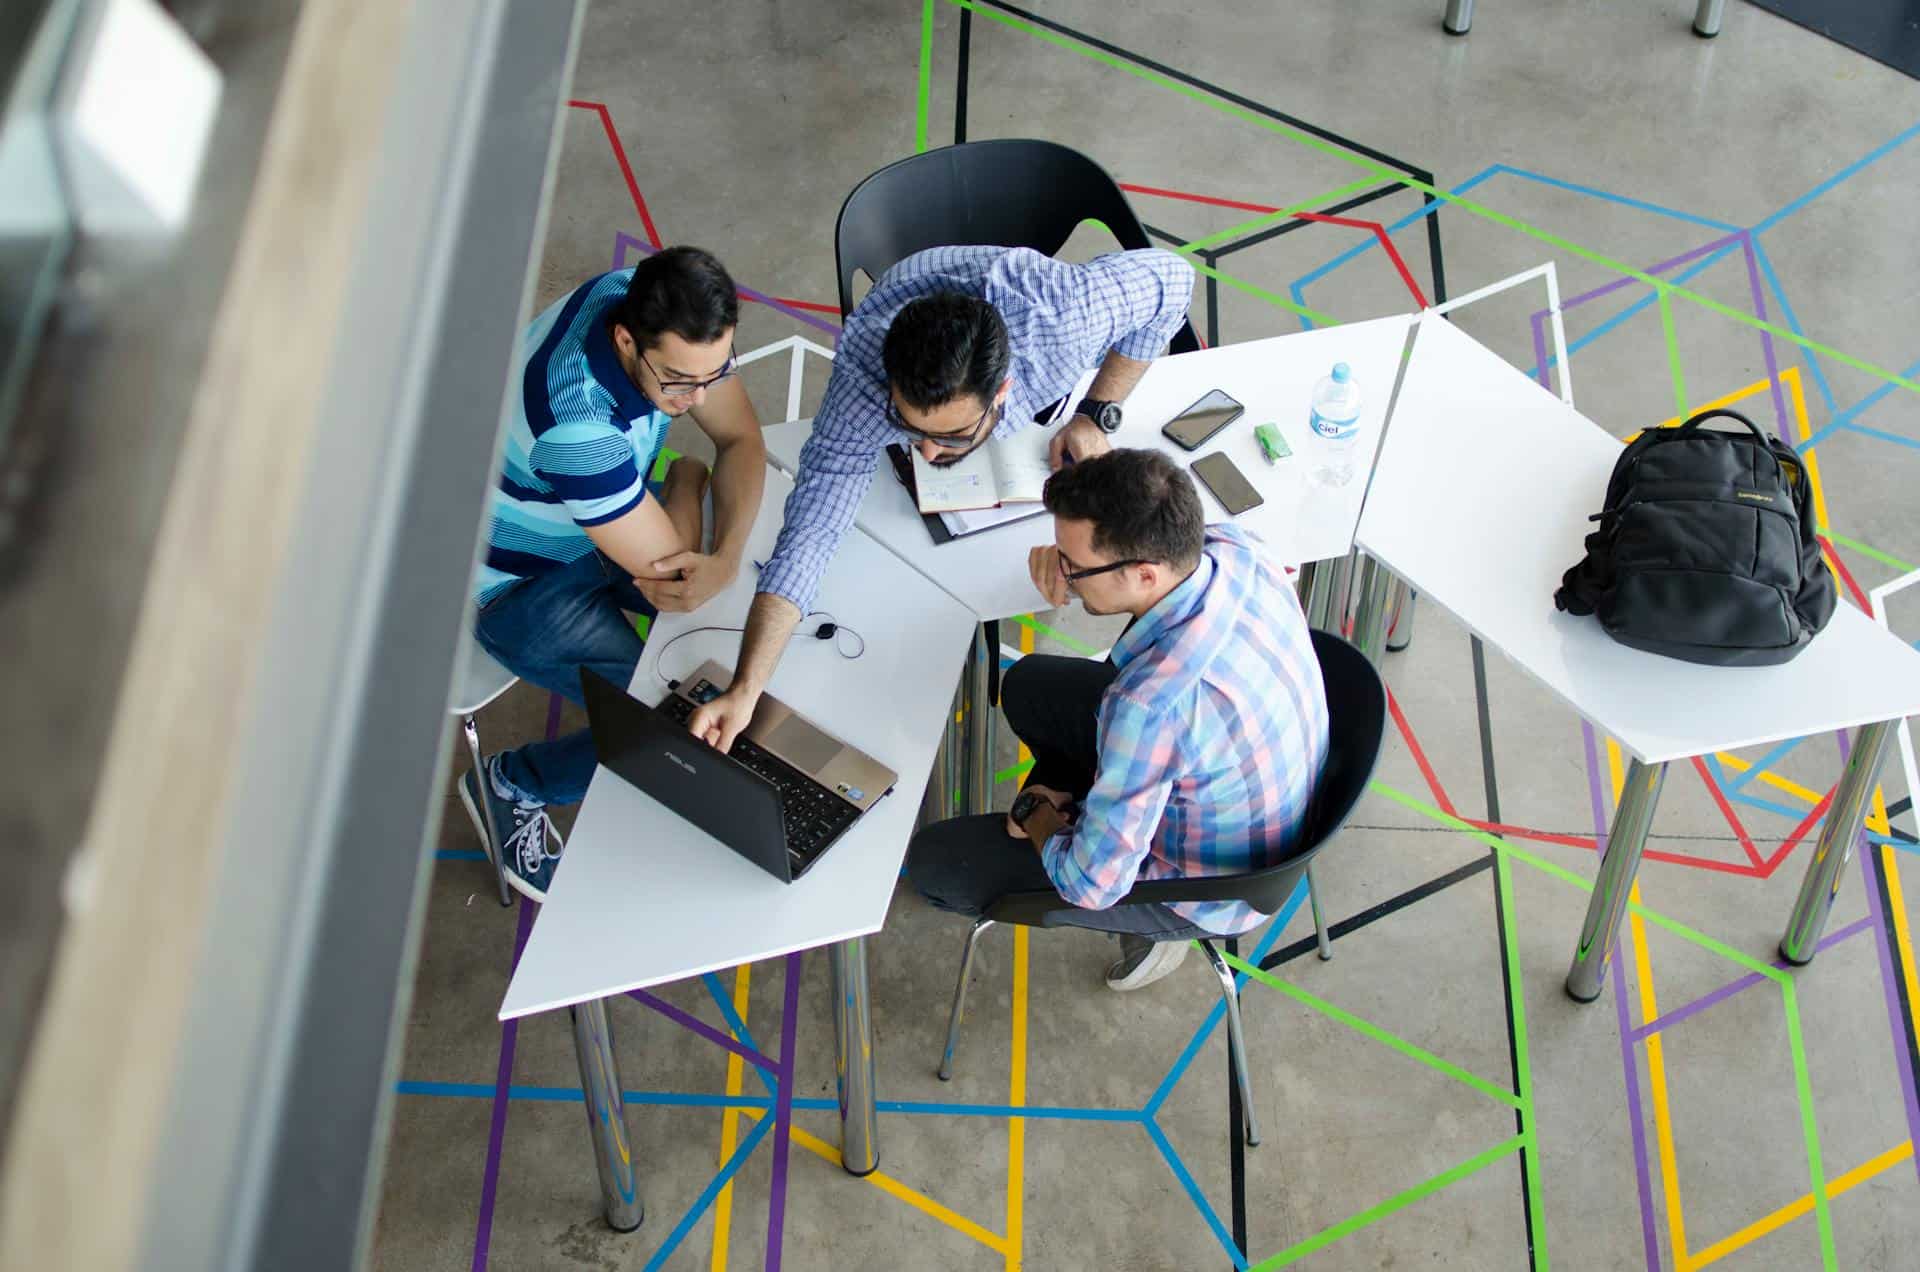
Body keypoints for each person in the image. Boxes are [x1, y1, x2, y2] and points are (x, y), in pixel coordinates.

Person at [686, 245, 1195, 753]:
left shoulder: (1064, 319)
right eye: (909, 428)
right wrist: (747, 688)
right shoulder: (864, 377)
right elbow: (811, 530)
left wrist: (1097, 410)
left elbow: (1174, 280)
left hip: (1027, 303)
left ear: (1003, 393)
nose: (927, 453)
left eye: (951, 437)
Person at [906, 449, 1330, 991]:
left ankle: (1154, 936)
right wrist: (1066, 559)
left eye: (1073, 566)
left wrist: (1037, 810)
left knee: (936, 863)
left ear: (1144, 573)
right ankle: (1095, 805)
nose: (1064, 573)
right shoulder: (1234, 548)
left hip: (1206, 887)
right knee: (1030, 685)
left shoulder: (1149, 706)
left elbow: (1089, 884)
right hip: (1263, 792)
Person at [459, 246, 767, 900]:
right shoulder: (578, 429)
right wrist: (687, 481)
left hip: (596, 519)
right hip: (516, 586)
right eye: (681, 382)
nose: (699, 397)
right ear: (626, 340)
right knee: (663, 724)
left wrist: (728, 555)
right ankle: (514, 784)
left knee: (728, 625)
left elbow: (742, 439)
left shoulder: (648, 300)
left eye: (717, 373)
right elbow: (681, 580)